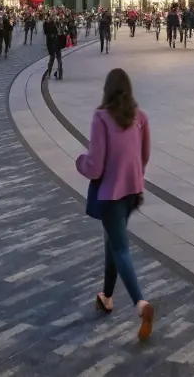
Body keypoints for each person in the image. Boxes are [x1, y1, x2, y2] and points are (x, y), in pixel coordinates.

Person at [75, 68, 155, 343]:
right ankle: (107, 296)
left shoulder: (101, 118)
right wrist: (134, 175)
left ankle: (140, 304)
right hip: (132, 192)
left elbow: (95, 166)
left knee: (120, 248)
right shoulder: (140, 117)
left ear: (107, 90)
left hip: (110, 195)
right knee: (112, 240)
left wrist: (79, 162)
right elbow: (145, 155)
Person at [44, 13, 64, 80]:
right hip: (56, 43)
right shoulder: (57, 23)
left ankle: (50, 74)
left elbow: (46, 32)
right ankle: (59, 74)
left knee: (53, 58)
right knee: (58, 58)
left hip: (52, 43)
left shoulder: (49, 24)